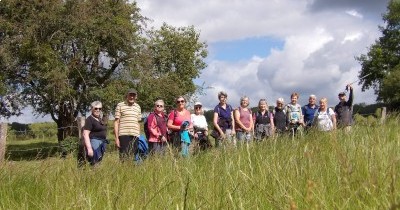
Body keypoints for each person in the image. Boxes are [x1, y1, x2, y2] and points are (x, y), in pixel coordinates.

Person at [114, 88, 142, 162]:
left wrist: (138, 135)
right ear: (127, 95)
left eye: (133, 95)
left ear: (136, 96)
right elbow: (116, 122)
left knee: (133, 157)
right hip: (123, 134)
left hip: (135, 135)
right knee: (123, 157)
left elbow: (138, 122)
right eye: (130, 95)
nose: (132, 97)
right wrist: (116, 138)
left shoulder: (138, 107)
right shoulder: (120, 105)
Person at [82, 101, 108, 165]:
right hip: (94, 143)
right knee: (94, 162)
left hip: (101, 143)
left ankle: (97, 174)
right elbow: (85, 134)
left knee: (99, 162)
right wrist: (89, 148)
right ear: (92, 109)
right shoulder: (89, 119)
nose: (98, 110)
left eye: (100, 108)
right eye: (96, 108)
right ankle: (93, 174)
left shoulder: (99, 119)